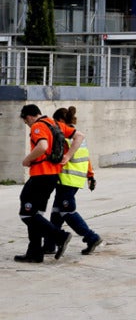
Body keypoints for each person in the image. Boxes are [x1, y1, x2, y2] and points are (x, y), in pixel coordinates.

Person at [15, 104, 72, 263]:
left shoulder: (38, 126)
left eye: (27, 122)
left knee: (26, 213)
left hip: (41, 175)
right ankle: (35, 253)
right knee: (36, 214)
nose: (28, 126)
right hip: (53, 176)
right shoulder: (55, 124)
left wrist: (28, 159)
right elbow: (79, 135)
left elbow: (42, 146)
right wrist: (67, 156)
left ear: (29, 117)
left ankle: (60, 236)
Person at [44, 106, 102, 256]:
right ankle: (50, 245)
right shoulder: (78, 137)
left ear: (61, 121)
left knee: (67, 212)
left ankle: (91, 237)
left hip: (67, 180)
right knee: (56, 213)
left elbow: (57, 157)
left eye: (56, 122)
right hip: (73, 180)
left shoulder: (64, 137)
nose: (55, 126)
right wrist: (90, 175)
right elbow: (86, 158)